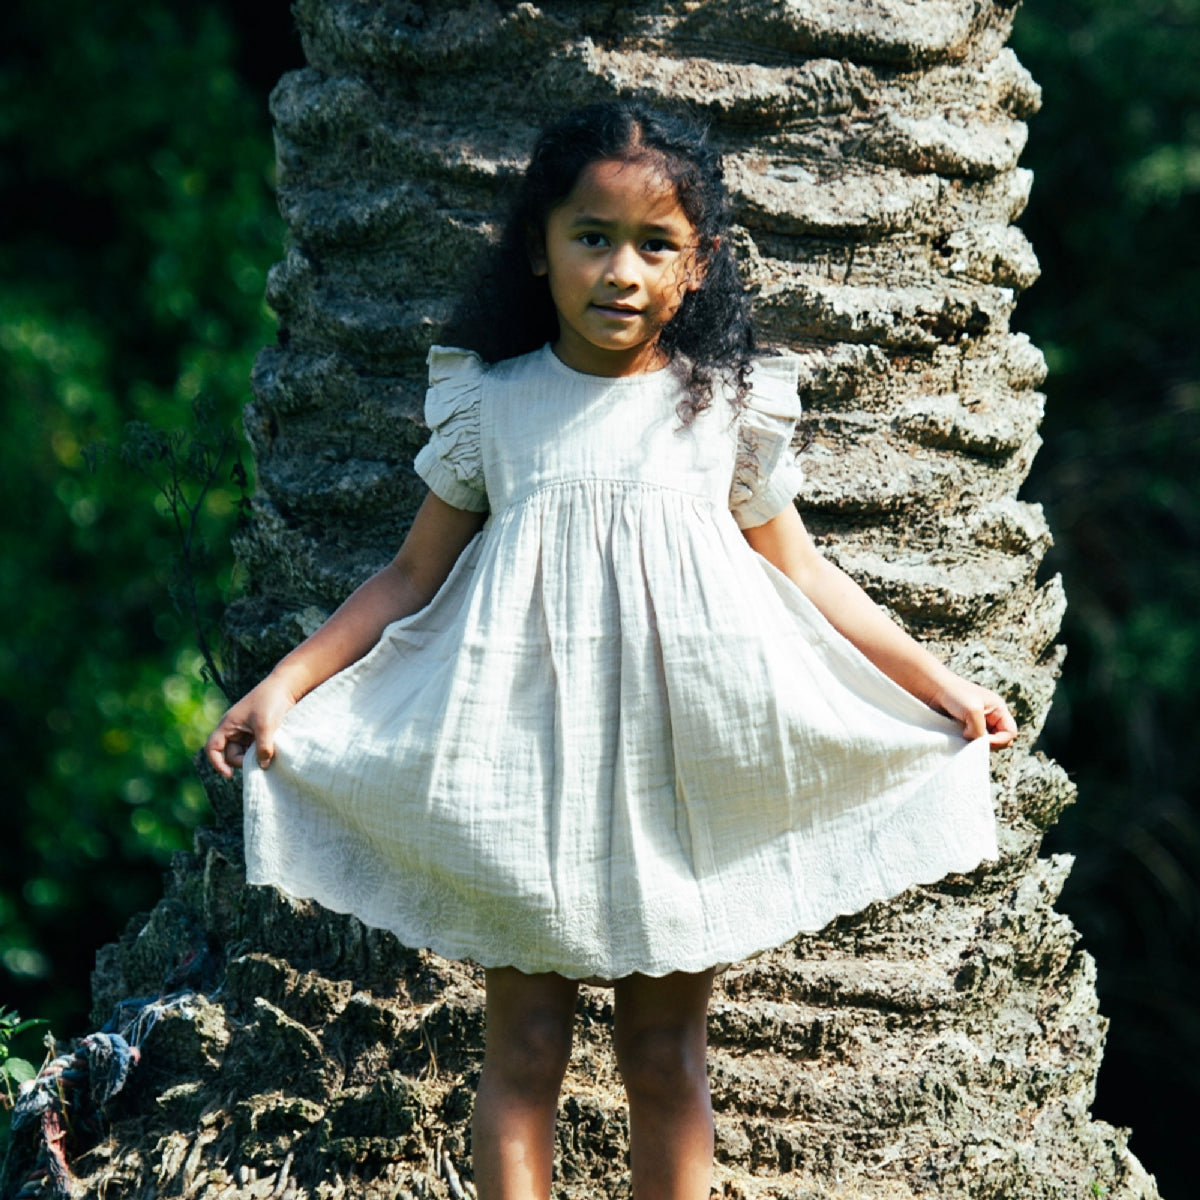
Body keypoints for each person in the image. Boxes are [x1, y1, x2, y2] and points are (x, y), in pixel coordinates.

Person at [206, 101, 1016, 1200]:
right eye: (592, 237)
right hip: (525, 775)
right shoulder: (493, 407)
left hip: (681, 783)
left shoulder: (724, 409)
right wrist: (283, 687)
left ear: (702, 264)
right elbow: (409, 578)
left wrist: (945, 686)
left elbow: (810, 575)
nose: (621, 271)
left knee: (664, 1058)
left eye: (656, 245)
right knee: (526, 1051)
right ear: (539, 246)